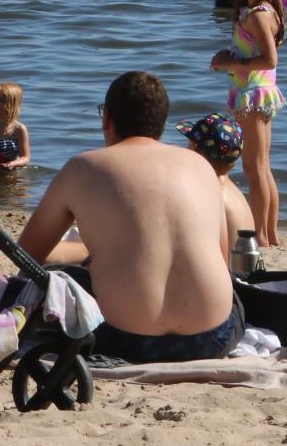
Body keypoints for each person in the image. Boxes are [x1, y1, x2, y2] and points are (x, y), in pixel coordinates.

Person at [17, 71, 241, 362]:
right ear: (161, 124)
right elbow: (221, 262)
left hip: (124, 340)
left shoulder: (82, 167)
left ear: (106, 118)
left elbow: (25, 259)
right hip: (212, 337)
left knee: (61, 279)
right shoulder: (201, 166)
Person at [210, 0, 285, 246]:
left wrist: (232, 62)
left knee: (254, 169)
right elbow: (256, 52)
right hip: (260, 91)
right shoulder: (259, 11)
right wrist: (229, 53)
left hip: (252, 94)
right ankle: (272, 234)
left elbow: (269, 59)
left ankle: (262, 237)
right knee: (262, 167)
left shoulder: (257, 14)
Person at [175, 111, 258, 250]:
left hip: (228, 270)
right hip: (241, 266)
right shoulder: (231, 190)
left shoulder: (213, 196)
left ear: (198, 151)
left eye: (189, 143)